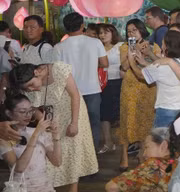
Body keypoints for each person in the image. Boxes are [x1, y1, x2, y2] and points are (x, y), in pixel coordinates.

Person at [9, 63, 99, 192]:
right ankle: (50, 190)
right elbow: (34, 108)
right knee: (51, 149)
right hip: (50, 116)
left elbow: (75, 95)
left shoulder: (59, 69)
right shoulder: (28, 84)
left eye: (31, 85)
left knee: (72, 149)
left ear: (37, 72)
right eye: (28, 89)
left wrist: (74, 123)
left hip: (72, 111)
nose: (31, 89)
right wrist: (43, 121)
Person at [0, 94, 74, 192]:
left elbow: (57, 162)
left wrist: (56, 137)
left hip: (46, 189)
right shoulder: (5, 139)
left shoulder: (38, 132)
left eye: (30, 111)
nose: (28, 115)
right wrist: (35, 135)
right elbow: (19, 168)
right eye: (22, 112)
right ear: (9, 113)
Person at [54, 13, 109, 149]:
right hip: (92, 90)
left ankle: (76, 157)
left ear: (65, 27)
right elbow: (104, 63)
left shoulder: (59, 47)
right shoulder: (95, 42)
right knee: (93, 124)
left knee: (72, 123)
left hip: (69, 92)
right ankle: (93, 155)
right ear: (82, 25)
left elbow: (57, 72)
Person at [106, 127, 172, 192]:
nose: (144, 154)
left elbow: (112, 188)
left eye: (146, 147)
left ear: (163, 146)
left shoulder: (156, 165)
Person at [119, 19, 160, 171]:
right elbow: (123, 66)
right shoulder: (124, 47)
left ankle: (143, 152)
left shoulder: (153, 46)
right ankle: (123, 155)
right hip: (130, 85)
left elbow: (158, 65)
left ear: (142, 30)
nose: (131, 33)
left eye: (134, 30)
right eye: (129, 31)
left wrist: (147, 52)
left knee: (145, 119)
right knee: (127, 118)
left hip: (148, 86)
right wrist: (132, 50)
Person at [143, 31, 180, 128]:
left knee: (162, 140)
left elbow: (141, 75)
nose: (161, 45)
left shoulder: (161, 66)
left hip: (167, 109)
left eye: (163, 43)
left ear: (166, 46)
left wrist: (132, 61)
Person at [98, 24, 123, 154]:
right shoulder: (97, 47)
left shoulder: (120, 46)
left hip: (119, 81)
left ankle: (125, 144)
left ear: (113, 33)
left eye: (105, 32)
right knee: (104, 113)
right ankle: (108, 142)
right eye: (100, 33)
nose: (102, 35)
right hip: (103, 83)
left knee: (120, 113)